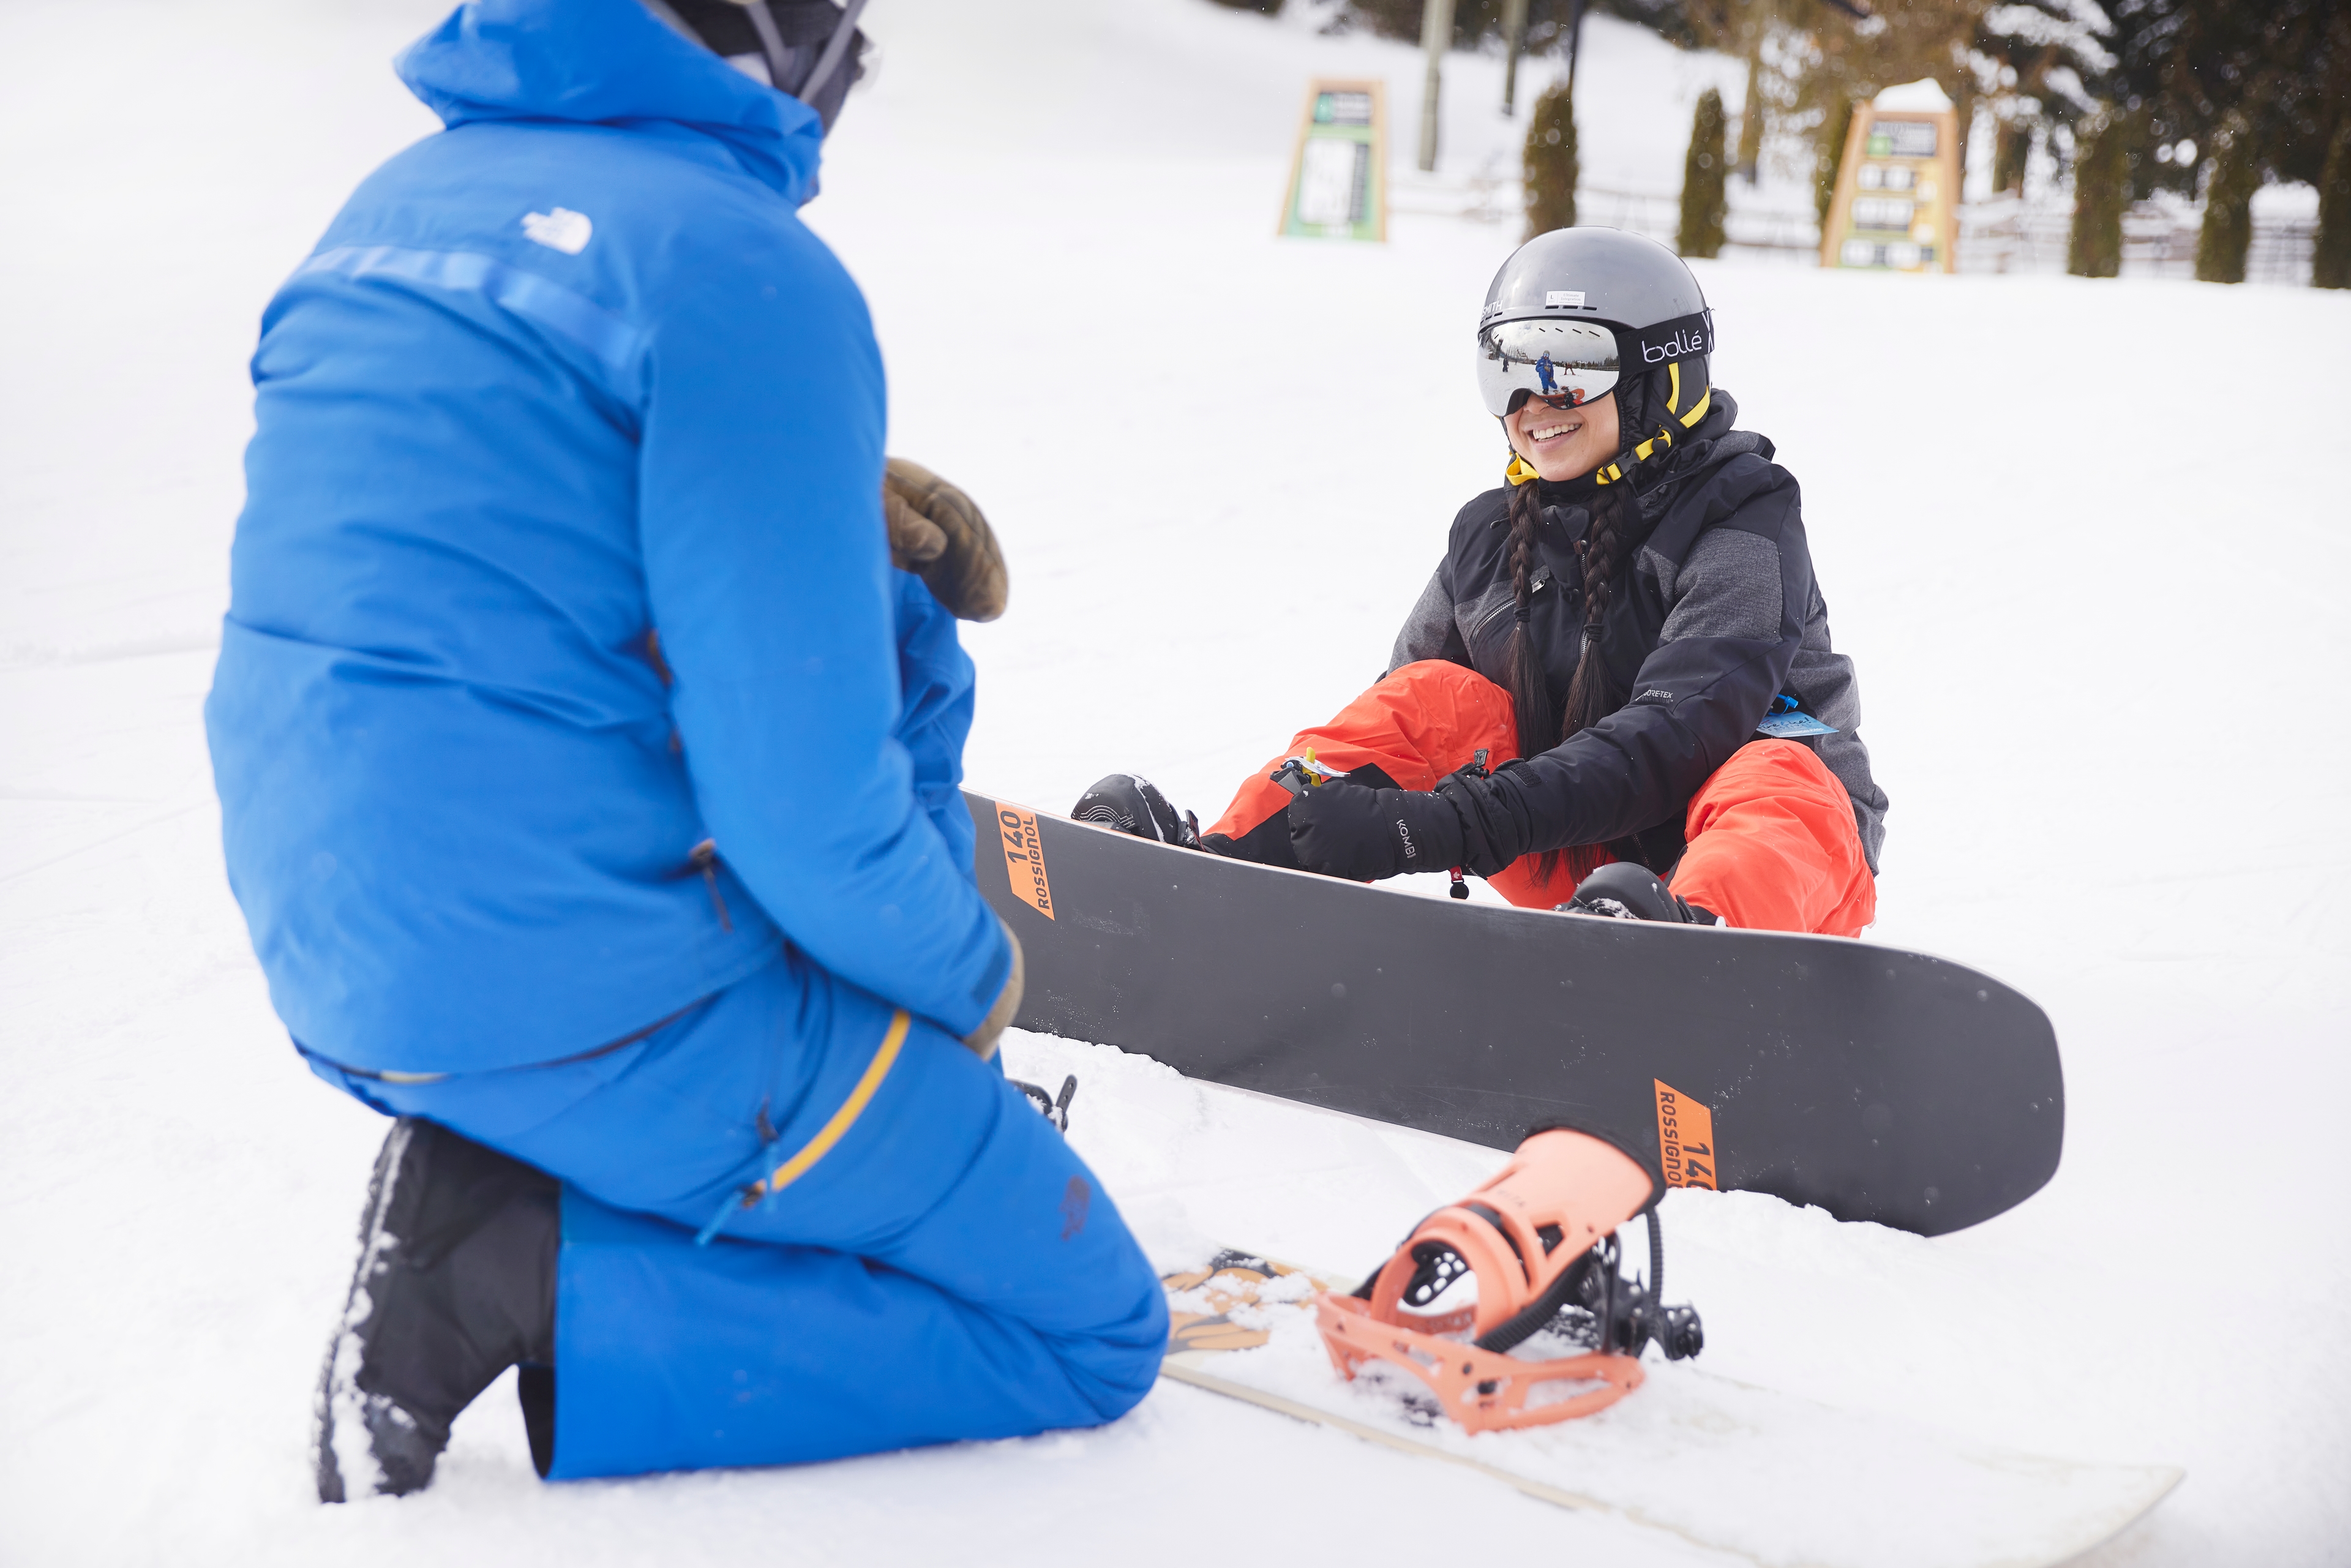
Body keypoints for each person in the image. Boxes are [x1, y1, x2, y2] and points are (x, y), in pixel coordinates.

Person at [204, 0, 1166, 1501]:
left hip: (336, 956)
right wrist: (977, 989)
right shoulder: (738, 265)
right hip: (581, 1002)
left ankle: (521, 1177)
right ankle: (518, 1260)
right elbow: (809, 825)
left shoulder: (381, 210)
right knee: (1093, 1321)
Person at [1078, 228, 1886, 936]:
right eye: (1506, 370)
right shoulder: (1492, 536)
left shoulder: (1744, 519)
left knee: (1777, 772)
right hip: (1579, 860)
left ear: (1659, 378)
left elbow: (1675, 739)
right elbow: (1400, 729)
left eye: (1570, 368)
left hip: (1776, 873)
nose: (1533, 403)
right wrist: (1360, 822)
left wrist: (1445, 825)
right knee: (1431, 697)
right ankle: (1219, 877)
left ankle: (1684, 950)